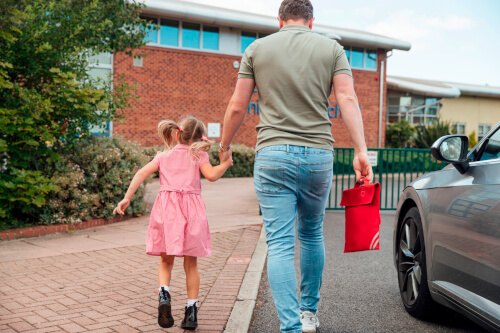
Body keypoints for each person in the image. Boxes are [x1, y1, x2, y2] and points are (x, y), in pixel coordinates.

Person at [218, 0, 374, 332]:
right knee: (312, 233)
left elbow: (237, 106)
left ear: (280, 20)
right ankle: (308, 315)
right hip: (318, 154)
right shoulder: (332, 49)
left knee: (279, 243)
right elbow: (347, 98)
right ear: (311, 21)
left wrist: (225, 145)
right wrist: (361, 150)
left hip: (272, 154)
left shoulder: (257, 50)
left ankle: (289, 327)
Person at [113, 116, 233, 330]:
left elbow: (141, 173)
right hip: (191, 212)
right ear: (198, 138)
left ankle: (164, 293)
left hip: (167, 211)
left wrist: (127, 197)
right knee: (191, 264)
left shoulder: (164, 155)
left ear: (177, 133)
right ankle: (191, 312)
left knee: (166, 261)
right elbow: (212, 175)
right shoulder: (198, 154)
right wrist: (225, 163)